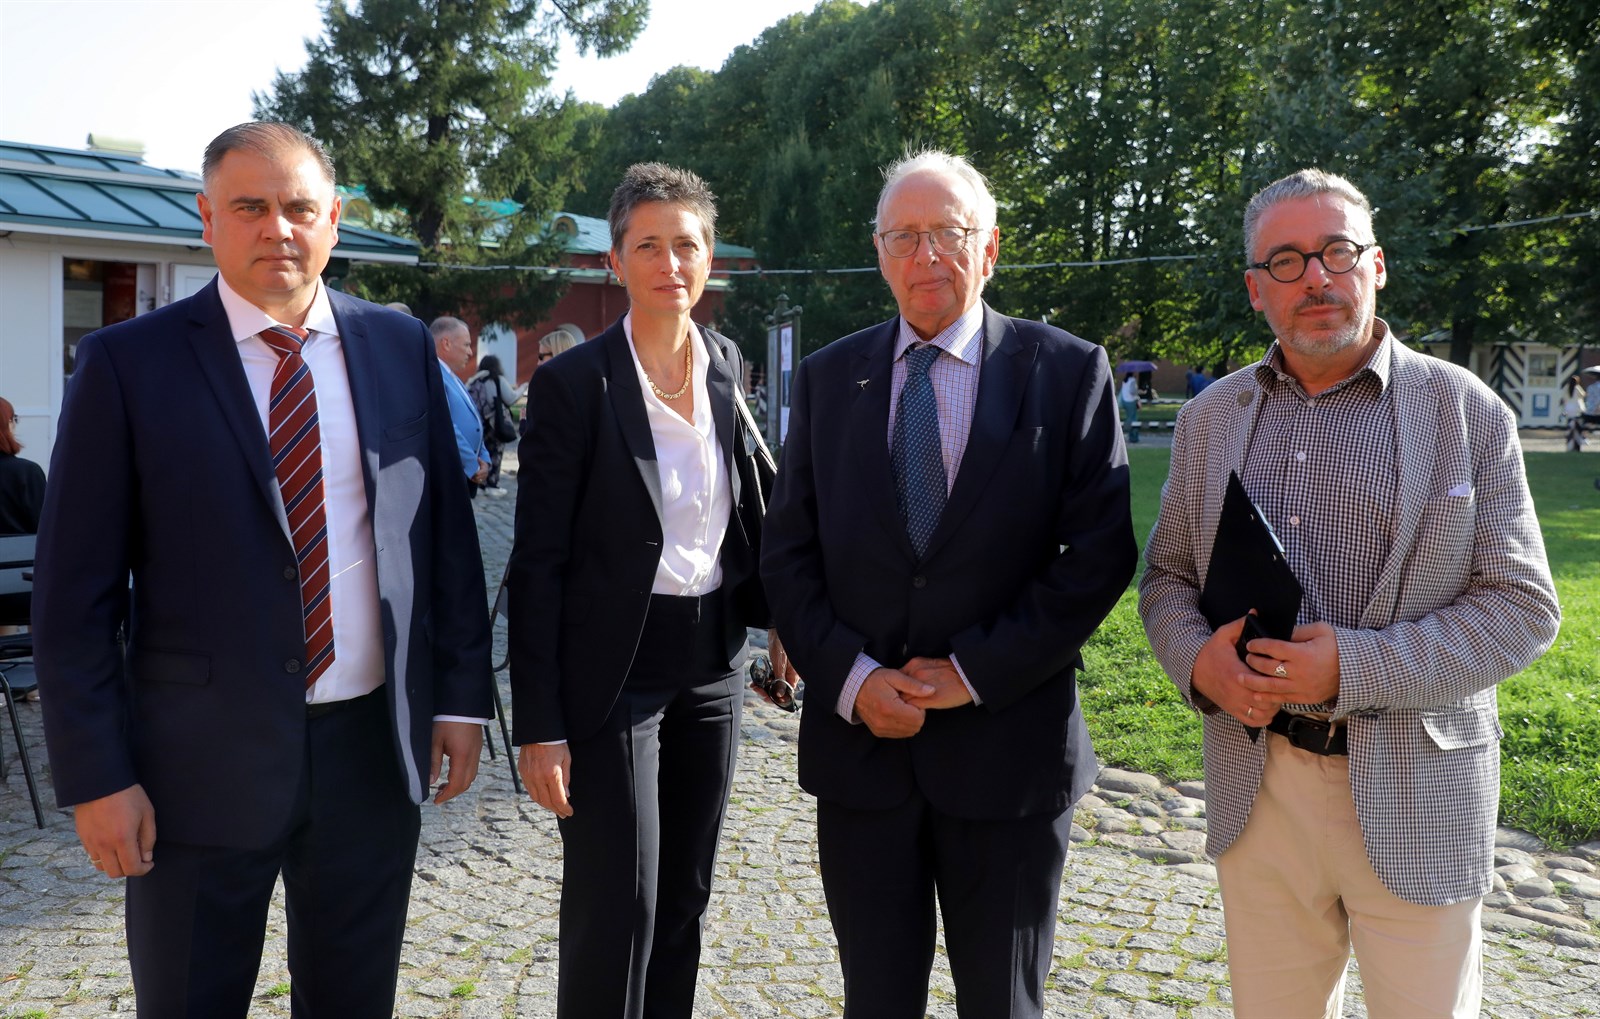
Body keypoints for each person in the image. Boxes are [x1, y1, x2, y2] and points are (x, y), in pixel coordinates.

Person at [31, 122, 495, 1018]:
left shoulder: (398, 346)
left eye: (298, 208)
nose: (277, 228)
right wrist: (95, 774)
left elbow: (442, 538)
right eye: (250, 207)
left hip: (370, 755)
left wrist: (459, 699)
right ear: (207, 219)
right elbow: (73, 596)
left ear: (334, 220)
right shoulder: (127, 364)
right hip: (194, 770)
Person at [1138, 169, 1560, 1019]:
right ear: (1256, 289)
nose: (1316, 278)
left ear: (1377, 265)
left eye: (1336, 251)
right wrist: (1198, 664)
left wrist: (1354, 667)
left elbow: (1522, 607)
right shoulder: (1210, 418)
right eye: (1286, 261)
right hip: (1259, 788)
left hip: (1420, 791)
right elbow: (1168, 579)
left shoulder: (1468, 412)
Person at [759, 150, 1136, 1018]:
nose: (925, 254)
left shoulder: (1066, 371)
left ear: (989, 248)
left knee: (1003, 1004)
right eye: (903, 236)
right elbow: (787, 555)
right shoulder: (828, 378)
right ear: (879, 253)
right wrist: (853, 678)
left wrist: (971, 671)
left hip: (1010, 756)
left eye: (948, 233)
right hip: (862, 761)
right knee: (876, 1001)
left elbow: (1097, 556)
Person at [506, 162, 786, 1019]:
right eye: (649, 246)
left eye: (687, 245)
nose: (672, 263)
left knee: (685, 894)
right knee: (616, 902)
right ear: (614, 261)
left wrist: (779, 616)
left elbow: (746, 509)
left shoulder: (725, 365)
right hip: (611, 672)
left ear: (710, 258)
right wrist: (539, 725)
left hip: (713, 664)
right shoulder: (573, 385)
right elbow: (537, 563)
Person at [431, 316, 490, 493]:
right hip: (451, 471)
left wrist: (484, 458)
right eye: (466, 345)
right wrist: (472, 465)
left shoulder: (451, 375)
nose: (470, 352)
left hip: (464, 469)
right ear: (446, 344)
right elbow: (446, 425)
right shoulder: (435, 375)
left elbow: (474, 421)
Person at [467, 353, 521, 497]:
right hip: (495, 423)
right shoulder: (497, 380)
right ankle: (492, 483)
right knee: (496, 452)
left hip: (479, 423)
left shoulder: (476, 381)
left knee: (481, 452)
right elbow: (510, 399)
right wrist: (523, 388)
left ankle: (479, 482)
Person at [0, 396, 45, 535]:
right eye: (14, 419)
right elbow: (47, 527)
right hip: (21, 549)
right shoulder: (27, 472)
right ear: (7, 424)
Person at [1564, 376, 1588, 451]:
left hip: (1569, 408)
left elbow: (1564, 398)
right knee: (1579, 426)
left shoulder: (1566, 388)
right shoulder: (1577, 387)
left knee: (1571, 425)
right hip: (1577, 409)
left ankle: (1570, 442)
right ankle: (1582, 439)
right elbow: (1583, 395)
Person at [1119, 371, 1142, 441]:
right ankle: (1133, 437)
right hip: (1131, 401)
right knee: (1133, 419)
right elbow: (1132, 392)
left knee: (1129, 417)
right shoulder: (1132, 380)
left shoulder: (1124, 381)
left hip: (1124, 401)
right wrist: (1139, 391)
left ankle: (1129, 435)